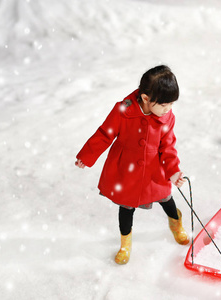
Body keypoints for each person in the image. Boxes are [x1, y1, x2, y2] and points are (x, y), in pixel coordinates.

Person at [75, 65, 189, 265]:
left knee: (166, 198)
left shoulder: (166, 117)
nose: (168, 109)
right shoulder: (123, 110)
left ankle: (175, 222)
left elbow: (168, 146)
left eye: (171, 104)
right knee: (126, 207)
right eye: (164, 104)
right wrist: (87, 155)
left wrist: (173, 171)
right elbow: (105, 133)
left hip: (154, 169)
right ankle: (125, 243)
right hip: (126, 169)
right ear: (145, 99)